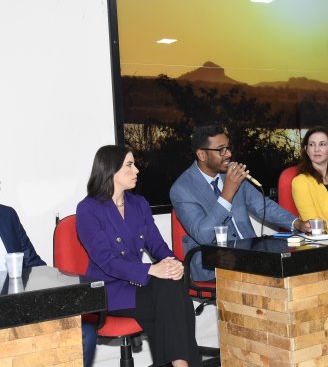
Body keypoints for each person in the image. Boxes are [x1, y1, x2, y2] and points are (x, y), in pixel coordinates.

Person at [76, 145, 200, 367]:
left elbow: (156, 244)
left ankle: (179, 364)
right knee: (174, 303)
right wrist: (151, 269)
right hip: (108, 289)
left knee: (171, 288)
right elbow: (106, 260)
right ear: (111, 170)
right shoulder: (88, 208)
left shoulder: (138, 203)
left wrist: (173, 264)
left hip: (138, 283)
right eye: (129, 165)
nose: (137, 171)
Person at [169, 125, 311, 282]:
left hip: (250, 257)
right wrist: (227, 193)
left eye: (228, 148)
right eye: (221, 150)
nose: (228, 154)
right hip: (213, 264)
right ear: (202, 154)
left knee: (298, 270)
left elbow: (262, 205)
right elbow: (203, 235)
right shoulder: (182, 189)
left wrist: (296, 223)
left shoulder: (230, 173)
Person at [0, 203, 97, 367]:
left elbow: (33, 264)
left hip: (20, 309)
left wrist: (67, 284)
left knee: (84, 332)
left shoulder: (6, 215)